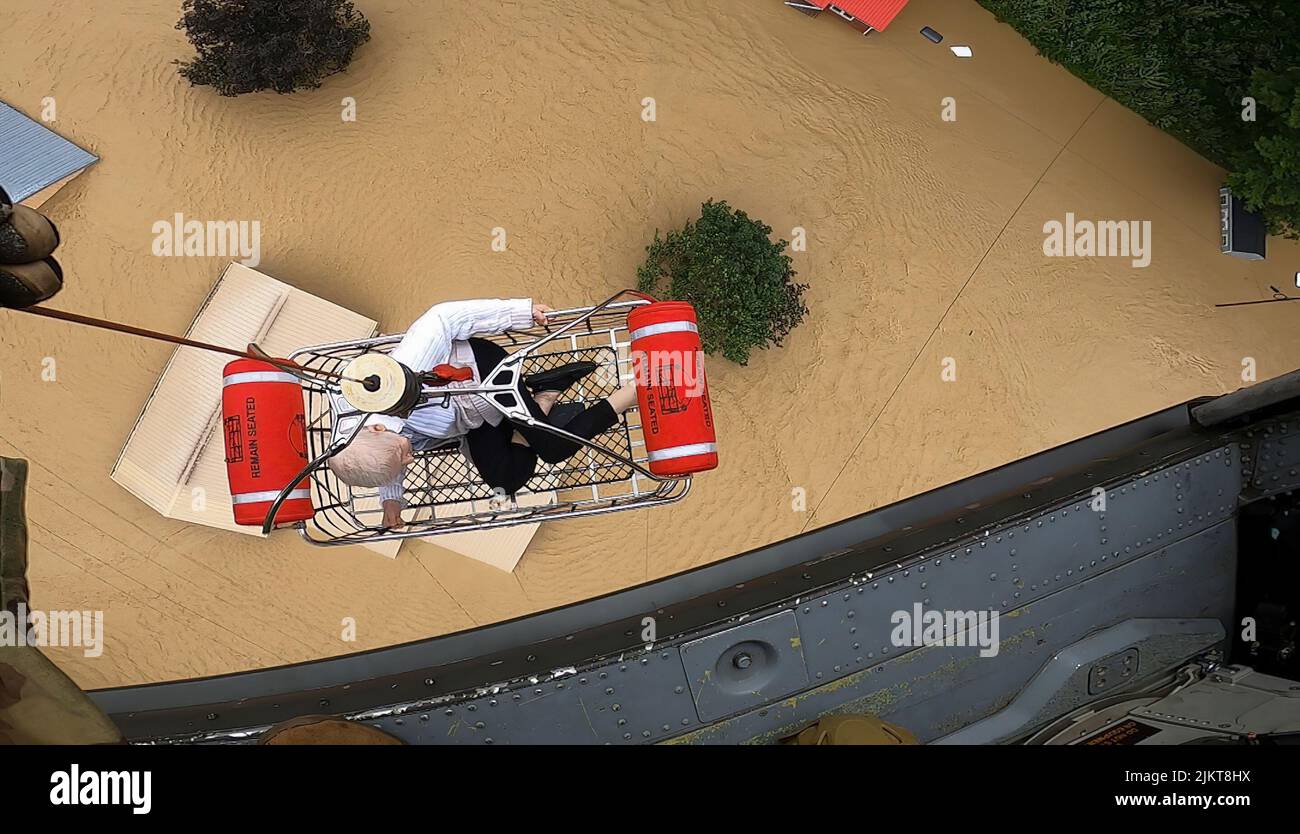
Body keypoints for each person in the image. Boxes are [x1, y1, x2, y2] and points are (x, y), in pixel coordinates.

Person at [326, 298, 637, 528]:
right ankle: (544, 396)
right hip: (467, 416)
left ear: (379, 428)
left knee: (554, 449)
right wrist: (391, 500)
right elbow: (386, 461)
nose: (411, 461)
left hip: (481, 374)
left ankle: (629, 394)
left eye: (404, 455)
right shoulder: (366, 440)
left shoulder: (391, 383)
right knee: (507, 481)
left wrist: (519, 312)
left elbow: (441, 319)